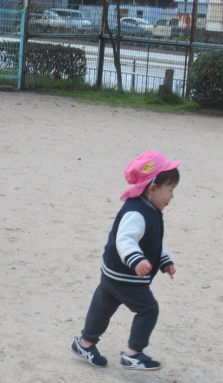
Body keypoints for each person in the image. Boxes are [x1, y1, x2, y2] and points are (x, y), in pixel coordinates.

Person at [71, 150, 180, 371]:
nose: (172, 196)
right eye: (170, 190)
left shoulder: (149, 209)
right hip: (126, 275)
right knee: (148, 309)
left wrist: (164, 261)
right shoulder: (137, 213)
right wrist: (136, 260)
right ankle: (134, 354)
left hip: (112, 271)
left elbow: (153, 242)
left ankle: (85, 343)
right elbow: (125, 240)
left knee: (103, 307)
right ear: (152, 189)